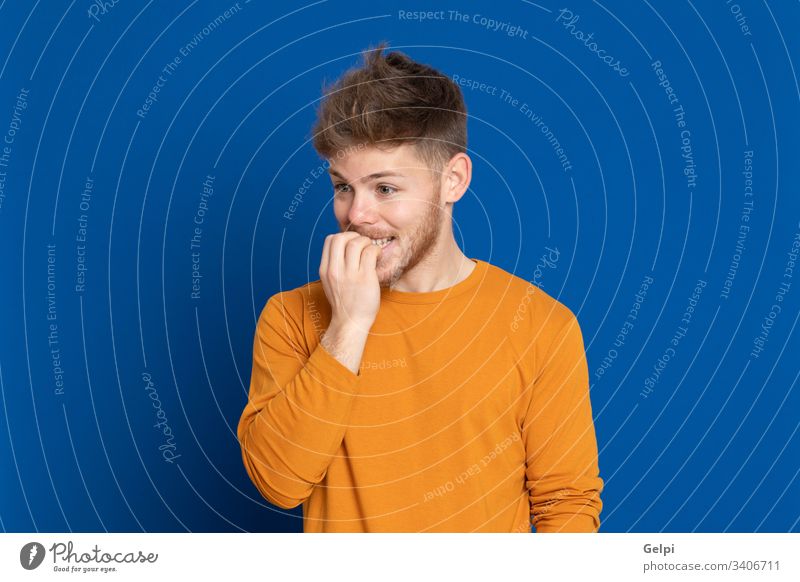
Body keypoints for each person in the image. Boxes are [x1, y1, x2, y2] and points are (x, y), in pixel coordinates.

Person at [237, 42, 604, 532]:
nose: (357, 215)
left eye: (385, 188)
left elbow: (568, 505)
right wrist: (347, 326)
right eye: (343, 186)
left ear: (452, 180)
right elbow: (279, 482)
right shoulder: (292, 318)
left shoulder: (541, 325)